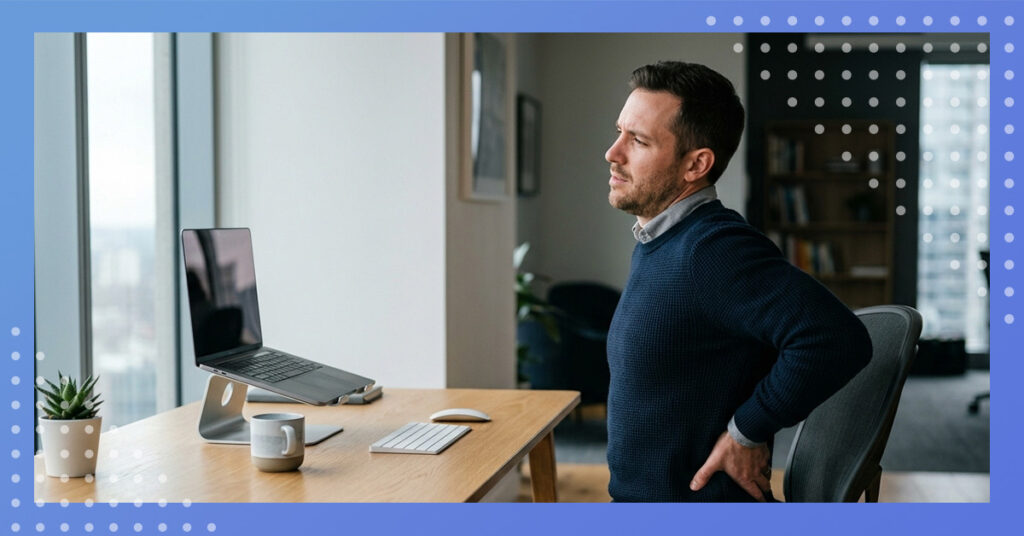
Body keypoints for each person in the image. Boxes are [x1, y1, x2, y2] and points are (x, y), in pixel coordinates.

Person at [603, 61, 873, 502]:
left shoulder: (713, 248)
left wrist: (747, 430)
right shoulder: (663, 241)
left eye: (638, 140)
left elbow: (836, 338)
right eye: (620, 132)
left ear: (696, 164)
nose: (613, 152)